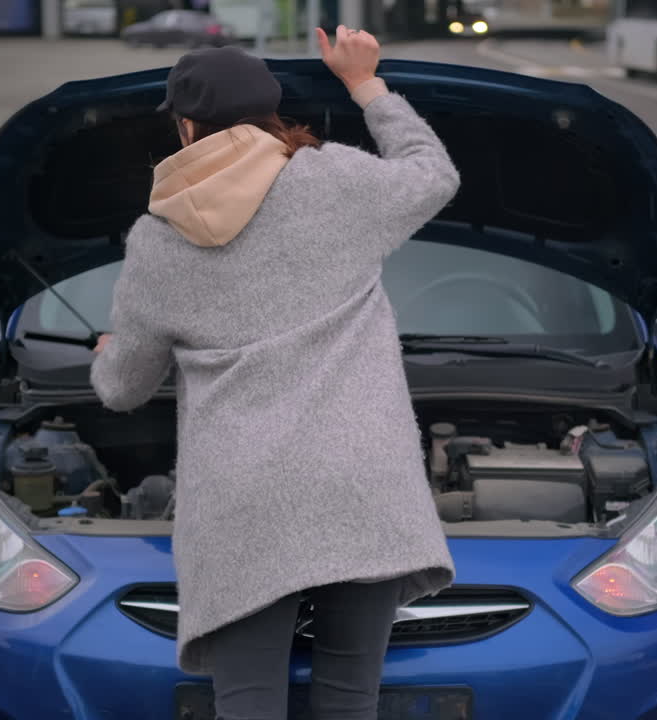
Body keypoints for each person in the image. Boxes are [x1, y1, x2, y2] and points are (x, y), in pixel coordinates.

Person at [90, 27, 459, 720]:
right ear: (271, 110)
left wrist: (109, 352)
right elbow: (433, 174)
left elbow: (121, 389)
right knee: (350, 702)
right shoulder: (337, 180)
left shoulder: (158, 241)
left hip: (242, 504)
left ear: (186, 125)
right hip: (361, 483)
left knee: (248, 705)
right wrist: (365, 85)